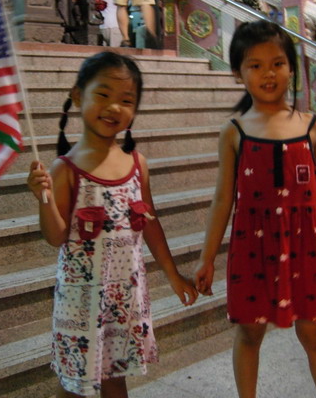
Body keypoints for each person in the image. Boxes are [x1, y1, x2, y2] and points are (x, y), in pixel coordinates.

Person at [194, 20, 316, 398]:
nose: (268, 73)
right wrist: (207, 258)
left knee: (314, 332)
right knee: (250, 331)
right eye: (255, 65)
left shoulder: (312, 126)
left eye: (277, 63)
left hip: (305, 244)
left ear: (291, 68)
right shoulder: (233, 131)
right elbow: (223, 199)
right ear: (238, 73)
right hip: (252, 245)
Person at [27, 51, 198, 397]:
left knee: (116, 378)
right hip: (81, 299)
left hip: (126, 297)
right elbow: (56, 236)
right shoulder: (66, 169)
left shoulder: (137, 163)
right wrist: (43, 198)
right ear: (78, 96)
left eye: (126, 100)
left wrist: (173, 274)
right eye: (103, 94)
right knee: (75, 383)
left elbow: (150, 225)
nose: (114, 107)